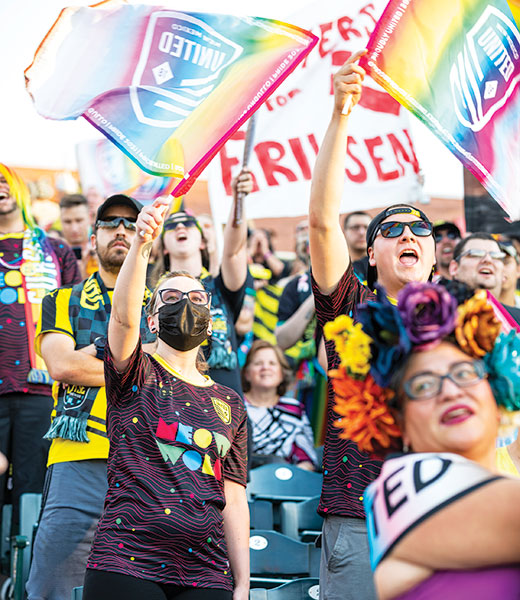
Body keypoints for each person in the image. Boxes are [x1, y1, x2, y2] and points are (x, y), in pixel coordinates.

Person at [308, 51, 436, 600]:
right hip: (360, 515)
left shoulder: (468, 322)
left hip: (442, 514)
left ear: (435, 253)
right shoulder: (348, 308)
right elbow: (320, 219)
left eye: (419, 228)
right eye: (392, 228)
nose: (408, 234)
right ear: (370, 251)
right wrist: (341, 113)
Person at [82, 197, 249, 600]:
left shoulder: (231, 402)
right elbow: (122, 320)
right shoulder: (135, 370)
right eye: (170, 299)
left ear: (209, 324)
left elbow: (235, 497)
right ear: (152, 321)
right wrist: (141, 243)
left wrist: (242, 582)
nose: (185, 305)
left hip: (206, 569)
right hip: (127, 559)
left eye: (195, 300)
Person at [323, 281, 520, 599]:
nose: (451, 391)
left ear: (496, 388)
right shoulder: (400, 484)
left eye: (465, 373)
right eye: (425, 385)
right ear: (396, 419)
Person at [27, 194, 156, 600]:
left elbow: (168, 374)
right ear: (92, 237)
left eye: (132, 224)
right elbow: (62, 367)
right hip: (77, 457)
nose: (121, 230)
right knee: (52, 587)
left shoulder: (164, 304)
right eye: (110, 223)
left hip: (148, 459)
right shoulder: (59, 300)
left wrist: (93, 351)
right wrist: (131, 359)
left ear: (147, 238)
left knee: (138, 589)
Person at [0, 164, 80, 536]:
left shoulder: (55, 249)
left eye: (3, 181)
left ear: (19, 190)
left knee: (32, 493)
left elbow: (79, 315)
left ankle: (21, 580)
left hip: (41, 390)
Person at [153, 174, 252, 396]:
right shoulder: (153, 294)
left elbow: (234, 250)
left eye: (188, 223)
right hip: (172, 400)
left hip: (225, 406)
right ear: (164, 247)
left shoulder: (220, 285)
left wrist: (238, 200)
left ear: (203, 240)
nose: (180, 228)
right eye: (171, 226)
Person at [241, 340, 317, 470]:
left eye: (272, 363)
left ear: (282, 374)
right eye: (258, 363)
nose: (265, 367)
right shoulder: (234, 405)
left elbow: (307, 460)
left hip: (282, 484)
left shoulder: (294, 409)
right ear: (247, 373)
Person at [449, 232, 520, 323]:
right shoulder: (434, 316)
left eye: (496, 256)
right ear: (454, 268)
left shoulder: (518, 320)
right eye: (476, 254)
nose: (488, 260)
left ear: (503, 272)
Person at [59, 193, 97, 278]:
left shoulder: (101, 252)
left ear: (90, 218)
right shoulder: (53, 256)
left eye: (79, 220)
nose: (74, 229)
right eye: (67, 222)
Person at [342, 211, 371, 282]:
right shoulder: (337, 270)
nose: (361, 232)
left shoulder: (383, 266)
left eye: (367, 227)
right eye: (355, 227)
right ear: (344, 232)